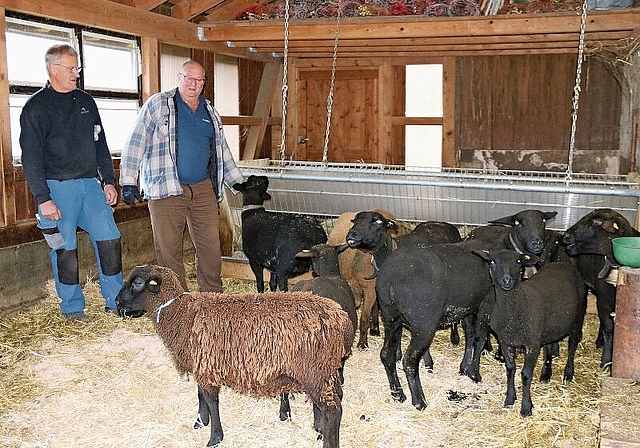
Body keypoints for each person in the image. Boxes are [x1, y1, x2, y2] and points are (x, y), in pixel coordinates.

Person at [119, 60, 244, 293]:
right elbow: (136, 141)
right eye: (189, 78)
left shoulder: (210, 112)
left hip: (203, 188)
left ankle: (212, 298)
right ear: (179, 78)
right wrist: (128, 180)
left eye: (199, 80)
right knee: (169, 250)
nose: (193, 84)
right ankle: (178, 301)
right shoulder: (158, 105)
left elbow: (221, 150)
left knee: (210, 246)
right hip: (165, 187)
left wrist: (237, 181)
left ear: (203, 83)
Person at [20, 44, 123, 324]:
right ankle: (73, 307)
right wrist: (43, 198)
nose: (76, 73)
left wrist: (108, 181)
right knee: (64, 248)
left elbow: (101, 144)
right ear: (53, 69)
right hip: (57, 188)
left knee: (110, 239)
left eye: (77, 68)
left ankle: (117, 301)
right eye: (71, 68)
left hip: (90, 185)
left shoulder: (86, 102)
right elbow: (30, 158)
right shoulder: (36, 108)